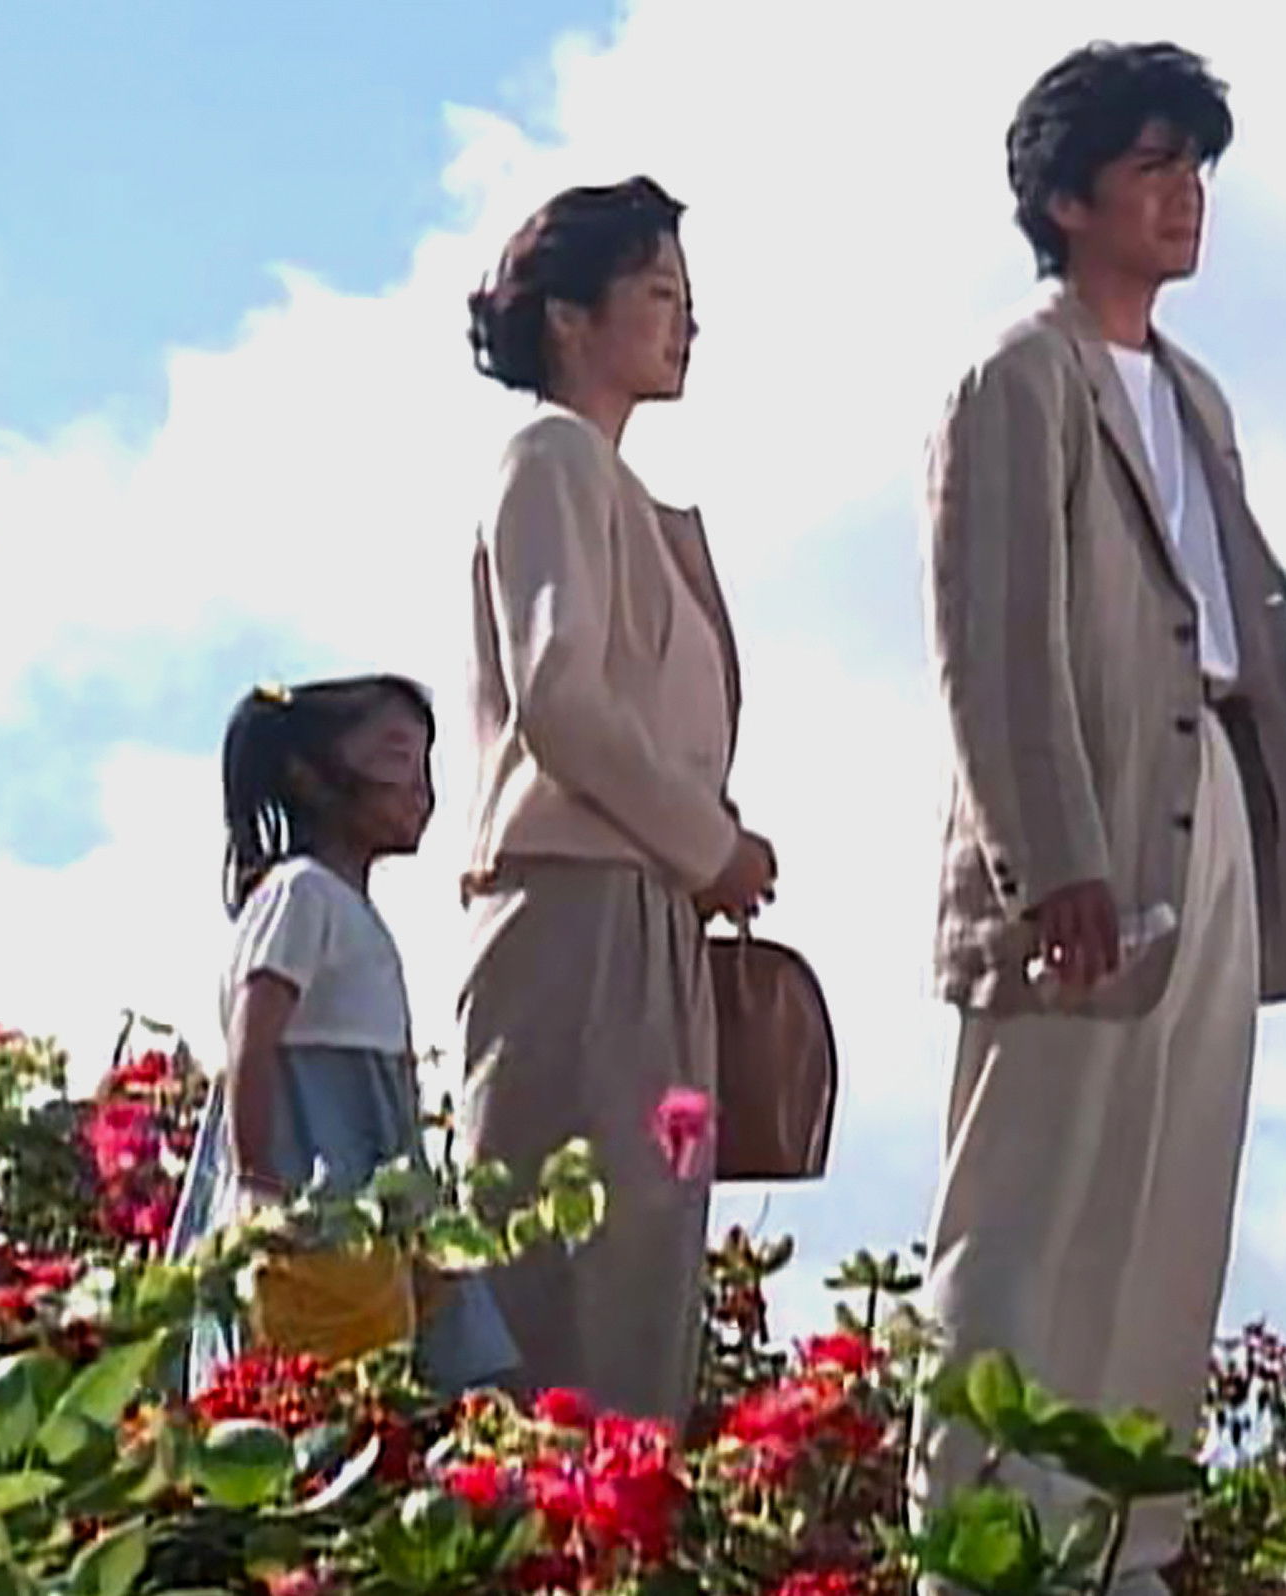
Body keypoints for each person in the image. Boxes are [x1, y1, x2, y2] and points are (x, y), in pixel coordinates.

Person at [909, 41, 1286, 1596]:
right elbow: (995, 642)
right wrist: (1051, 863)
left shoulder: (1196, 396)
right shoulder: (1016, 376)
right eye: (1153, 166)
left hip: (1207, 792)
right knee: (1032, 1198)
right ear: (1065, 197)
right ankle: (980, 1542)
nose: (1185, 197)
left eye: (1194, 168)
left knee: (1172, 1194)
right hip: (1084, 822)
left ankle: (1119, 1548)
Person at [456, 175, 779, 1430]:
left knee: (640, 1272)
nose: (685, 321)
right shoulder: (550, 457)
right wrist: (712, 845)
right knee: (570, 1280)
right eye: (657, 292)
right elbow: (562, 698)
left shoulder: (615, 490)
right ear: (569, 317)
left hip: (644, 907)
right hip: (577, 908)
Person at [167, 675, 518, 1394]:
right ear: (310, 774)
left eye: (425, 766)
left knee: (391, 1349)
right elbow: (254, 1034)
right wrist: (257, 1181)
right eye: (395, 759)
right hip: (315, 1162)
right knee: (310, 1352)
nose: (419, 789)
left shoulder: (347, 907)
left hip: (373, 1161)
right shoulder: (301, 892)